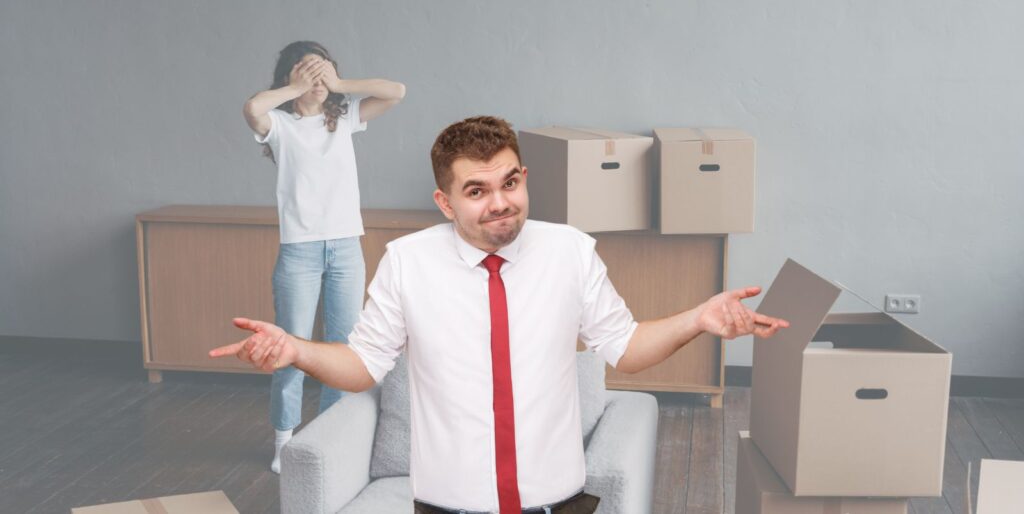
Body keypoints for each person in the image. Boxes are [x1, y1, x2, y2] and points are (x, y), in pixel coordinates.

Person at [212, 116, 789, 512]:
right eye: (477, 190)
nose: (500, 203)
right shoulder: (407, 262)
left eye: (510, 182)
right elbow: (364, 365)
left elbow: (626, 348)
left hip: (555, 500)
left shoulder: (570, 251)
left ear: (524, 178)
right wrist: (295, 350)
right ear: (445, 201)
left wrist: (699, 318)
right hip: (448, 505)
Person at [241, 40, 406, 473]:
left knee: (342, 351)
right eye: (306, 71)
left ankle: (328, 439)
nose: (316, 80)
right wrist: (296, 87)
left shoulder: (344, 116)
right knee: (289, 347)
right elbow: (253, 107)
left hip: (347, 247)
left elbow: (397, 91)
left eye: (322, 71)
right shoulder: (279, 124)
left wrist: (338, 84)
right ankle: (284, 443)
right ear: (290, 78)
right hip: (300, 250)